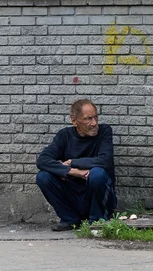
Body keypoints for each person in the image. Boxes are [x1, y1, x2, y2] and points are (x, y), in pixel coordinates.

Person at [36, 99, 117, 231]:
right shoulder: (64, 136)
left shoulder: (104, 132)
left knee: (97, 174)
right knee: (43, 176)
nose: (94, 123)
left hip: (96, 195)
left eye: (96, 117)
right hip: (73, 195)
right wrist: (72, 171)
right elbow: (42, 160)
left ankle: (97, 220)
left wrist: (72, 162)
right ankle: (69, 219)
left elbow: (105, 161)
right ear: (74, 121)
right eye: (88, 119)